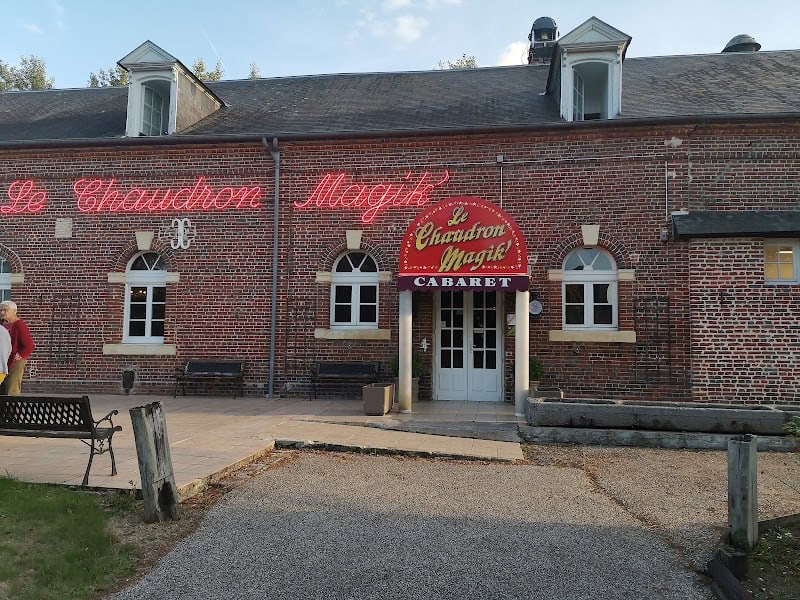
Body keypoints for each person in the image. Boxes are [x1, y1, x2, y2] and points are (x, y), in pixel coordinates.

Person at [0, 300, 34, 396]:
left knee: (12, 387)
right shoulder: (1, 324)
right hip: (3, 359)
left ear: (14, 311)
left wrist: (18, 356)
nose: (2, 312)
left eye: (5, 310)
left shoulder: (19, 325)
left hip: (14, 361)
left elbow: (28, 345)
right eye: (1, 310)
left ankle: (12, 409)